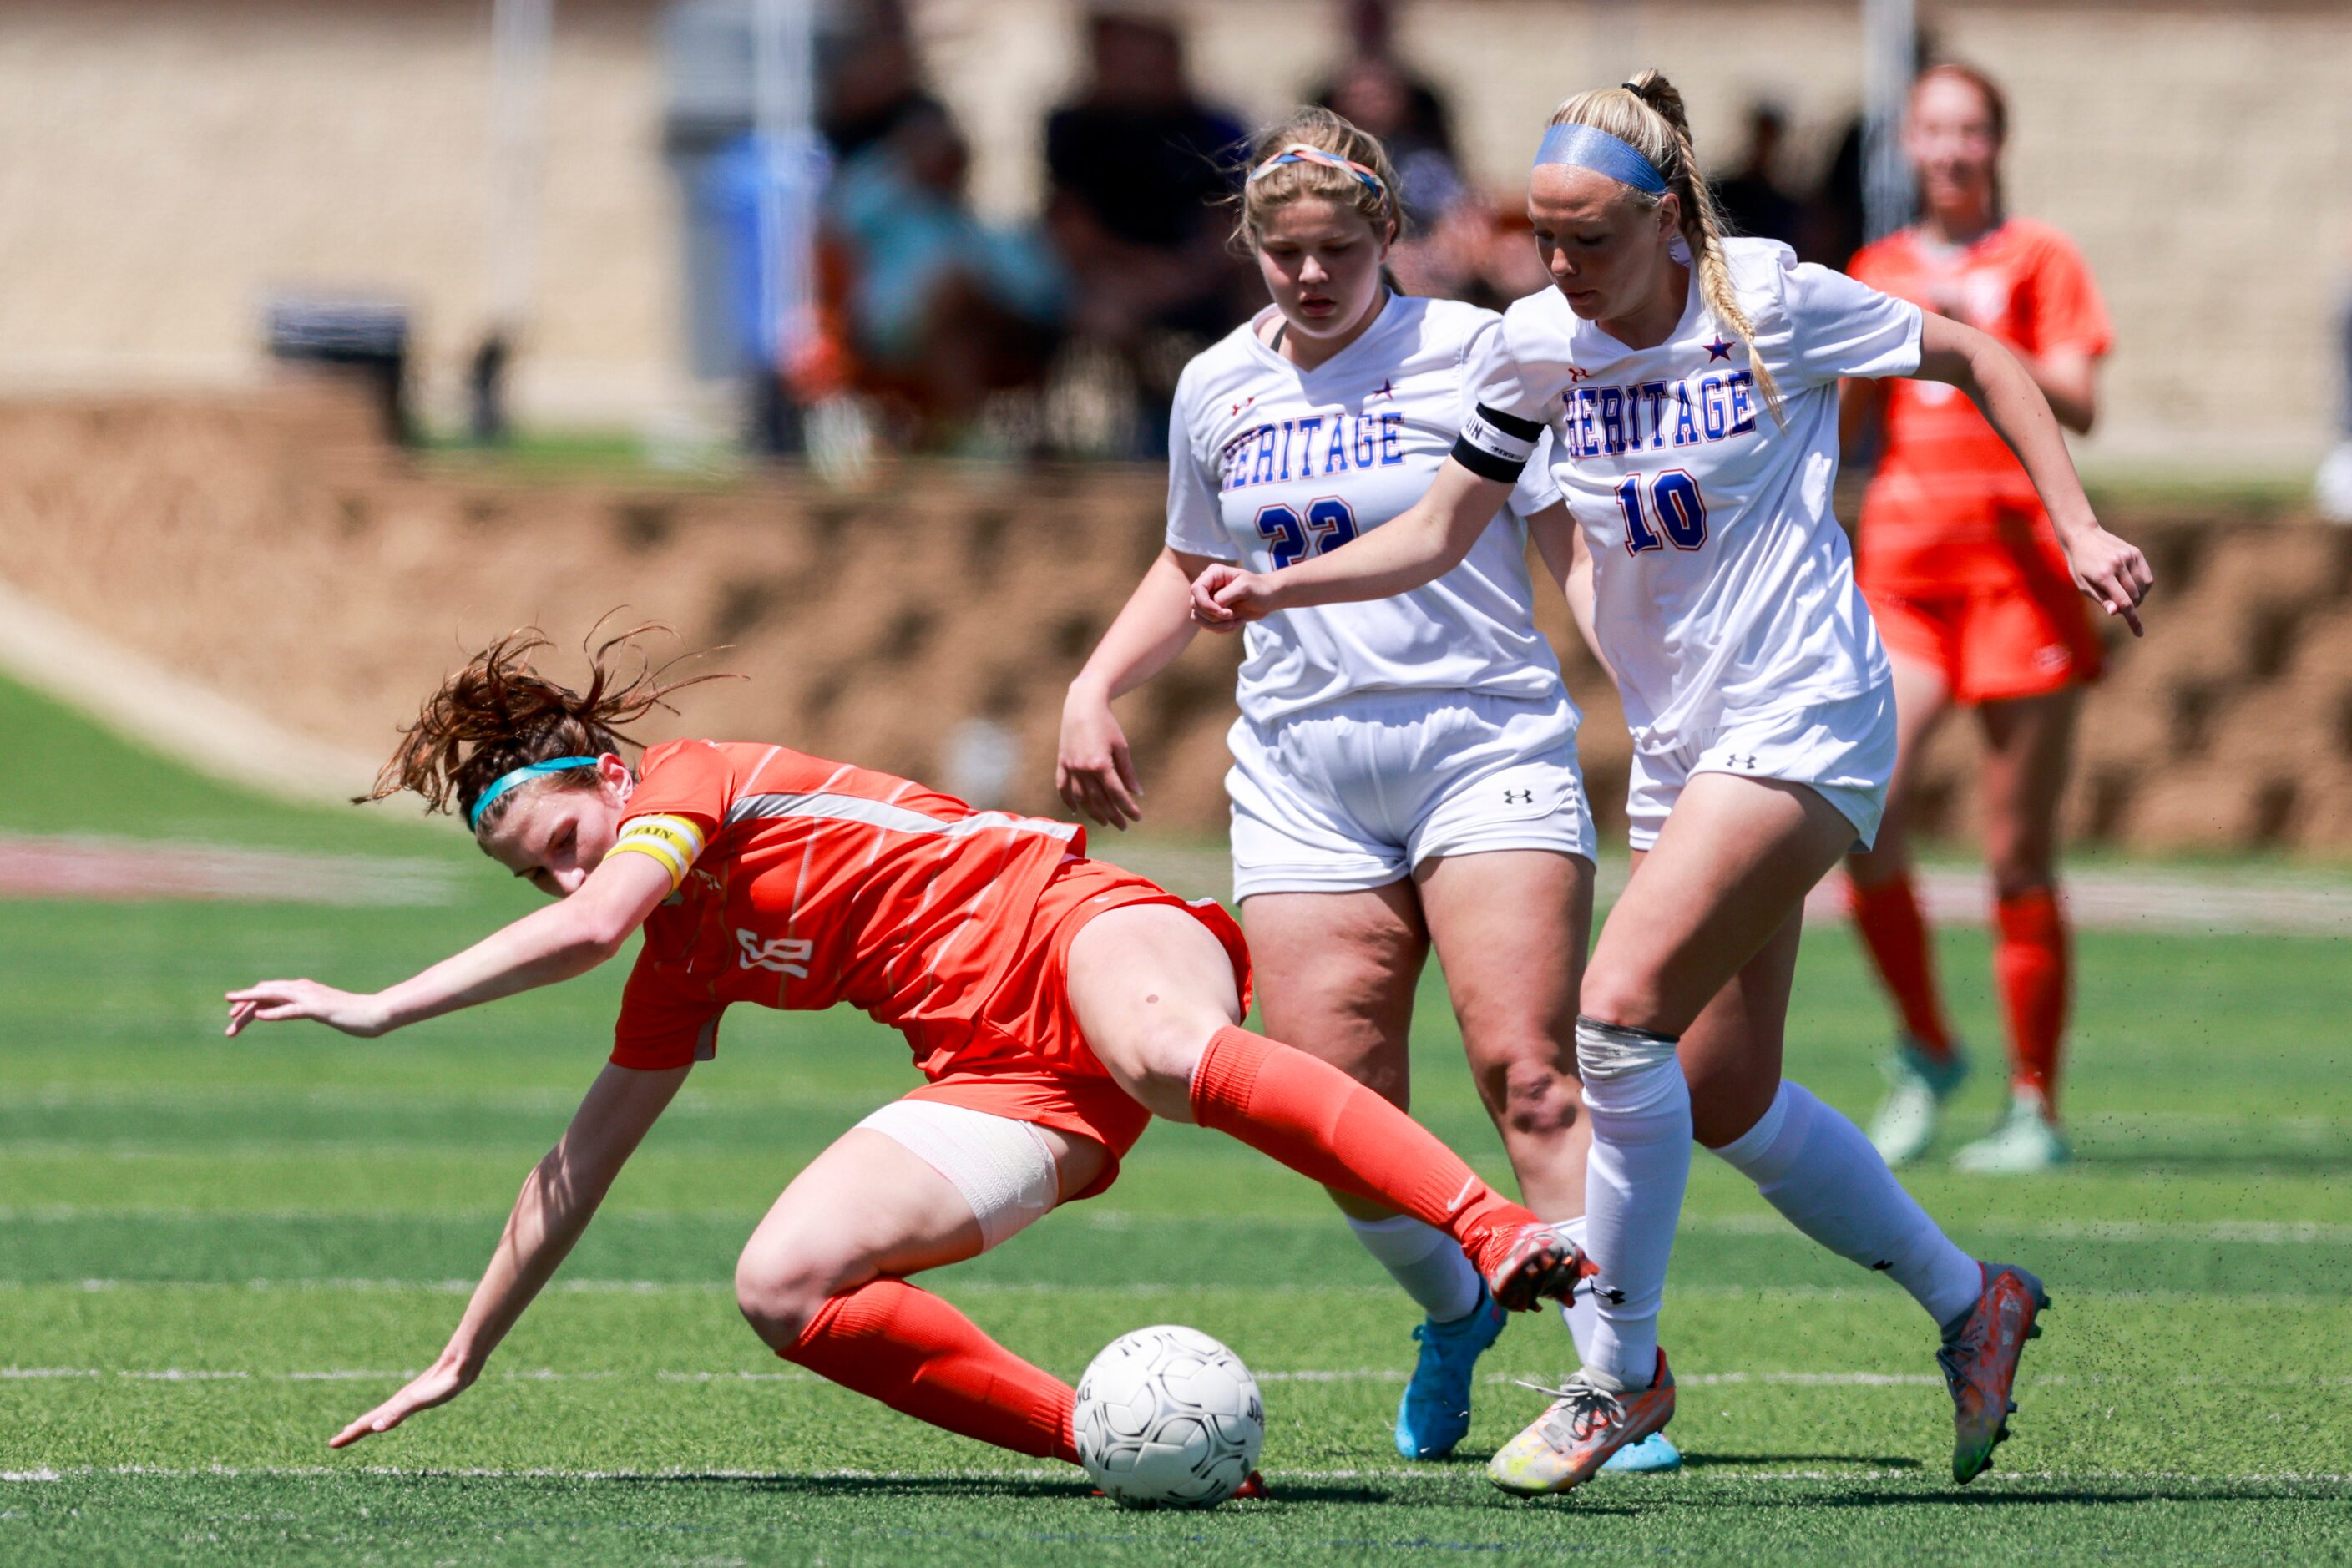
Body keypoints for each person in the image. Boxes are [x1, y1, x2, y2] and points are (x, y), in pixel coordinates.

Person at [1190, 71, 2152, 1493]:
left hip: (1808, 710)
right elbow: (1445, 524)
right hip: (1685, 744)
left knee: (1612, 1018)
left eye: (1586, 239)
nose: (1557, 267)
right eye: (1542, 237)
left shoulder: (1767, 299)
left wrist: (2072, 523)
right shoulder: (1530, 345)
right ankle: (1972, 1302)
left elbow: (1982, 359)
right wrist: (1279, 586)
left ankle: (1613, 1379)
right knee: (1722, 1093)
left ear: (1664, 221)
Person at [221, 627, 1590, 1474]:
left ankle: (1483, 1227)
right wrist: (467, 1349)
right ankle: (1110, 1440)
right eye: (534, 876)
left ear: (605, 774)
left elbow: (592, 926)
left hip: (1080, 925)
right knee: (781, 1283)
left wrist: (379, 1004)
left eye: (562, 843)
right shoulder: (678, 953)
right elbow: (578, 1161)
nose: (562, 879)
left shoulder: (697, 780)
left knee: (1170, 1050)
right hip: (1003, 1078)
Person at [1058, 107, 1676, 1473]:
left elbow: (1562, 530)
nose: (1313, 277)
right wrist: (1093, 686)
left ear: (1389, 234)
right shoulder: (1215, 383)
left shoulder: (1474, 348)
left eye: (1339, 247)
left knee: (1529, 1076)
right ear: (1250, 253)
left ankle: (1609, 1381)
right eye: (1284, 256)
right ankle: (1458, 1304)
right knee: (1342, 1118)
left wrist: (1639, 678)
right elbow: (1185, 559)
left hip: (1483, 742)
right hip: (1299, 776)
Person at [1841, 63, 2116, 1173]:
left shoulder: (2038, 259)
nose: (1951, 149)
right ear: (1908, 144)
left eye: (1970, 130)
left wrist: (1967, 328)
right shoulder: (1877, 267)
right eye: (1933, 131)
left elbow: (2083, 401)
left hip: (2019, 579)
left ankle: (2032, 1101)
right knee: (1865, 805)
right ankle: (1925, 1043)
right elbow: (1844, 415)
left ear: (1996, 141)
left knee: (2014, 852)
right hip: (1905, 574)